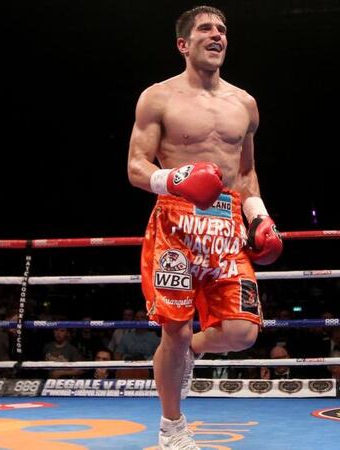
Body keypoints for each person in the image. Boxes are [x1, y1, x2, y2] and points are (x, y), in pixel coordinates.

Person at [126, 6, 283, 449]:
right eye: (205, 29)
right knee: (172, 330)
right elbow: (136, 167)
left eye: (222, 29)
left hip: (226, 227)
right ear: (183, 44)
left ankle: (189, 352)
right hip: (175, 226)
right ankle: (172, 427)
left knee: (242, 332)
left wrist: (260, 217)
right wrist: (173, 177)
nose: (217, 35)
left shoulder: (244, 104)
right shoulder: (158, 97)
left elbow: (247, 174)